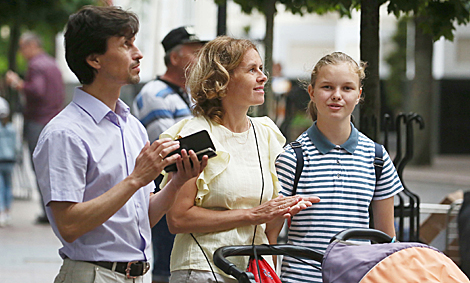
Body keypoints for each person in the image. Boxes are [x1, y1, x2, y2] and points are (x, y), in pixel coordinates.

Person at [32, 5, 208, 283]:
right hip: (92, 274)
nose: (138, 53)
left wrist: (177, 181)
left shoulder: (131, 126)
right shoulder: (65, 133)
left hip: (137, 274)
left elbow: (142, 217)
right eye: (126, 44)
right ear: (95, 60)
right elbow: (68, 225)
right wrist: (136, 179)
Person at [159, 36, 319, 283]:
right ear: (222, 79)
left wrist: (281, 211)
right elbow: (178, 219)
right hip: (203, 270)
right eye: (251, 69)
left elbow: (267, 225)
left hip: (253, 270)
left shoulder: (266, 132)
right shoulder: (195, 135)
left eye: (261, 69)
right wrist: (251, 215)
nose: (263, 77)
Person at [275, 52, 404, 283]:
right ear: (312, 92)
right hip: (300, 279)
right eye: (327, 87)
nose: (336, 96)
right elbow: (270, 235)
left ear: (358, 95)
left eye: (347, 88)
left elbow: (386, 239)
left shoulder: (377, 157)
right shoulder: (292, 157)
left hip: (357, 278)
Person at [133, 26, 206, 283]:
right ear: (175, 58)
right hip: (168, 184)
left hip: (186, 182)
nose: (201, 59)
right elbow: (171, 147)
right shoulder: (154, 94)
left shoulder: (188, 94)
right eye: (195, 53)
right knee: (166, 261)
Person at [6, 32, 65, 224]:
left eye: (23, 48)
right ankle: (56, 211)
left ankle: (47, 212)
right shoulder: (52, 64)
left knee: (40, 167)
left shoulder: (36, 65)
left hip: (38, 121)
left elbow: (36, 90)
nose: (22, 53)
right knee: (54, 167)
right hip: (54, 118)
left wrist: (18, 84)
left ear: (31, 46)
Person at [0, 96, 17, 227]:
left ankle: (1, 211)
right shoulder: (11, 128)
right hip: (10, 160)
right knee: (8, 186)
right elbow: (16, 146)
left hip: (0, 160)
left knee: (0, 187)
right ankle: (8, 210)